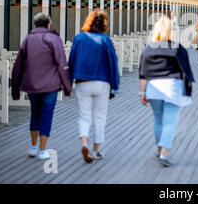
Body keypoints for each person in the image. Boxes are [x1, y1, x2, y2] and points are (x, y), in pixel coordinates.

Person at [12, 12, 71, 160]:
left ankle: (33, 147)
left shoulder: (27, 39)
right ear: (48, 24)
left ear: (35, 25)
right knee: (46, 115)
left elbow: (18, 65)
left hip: (32, 85)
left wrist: (15, 87)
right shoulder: (54, 39)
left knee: (35, 114)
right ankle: (43, 150)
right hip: (50, 86)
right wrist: (67, 86)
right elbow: (61, 63)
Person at [139, 17, 195, 167]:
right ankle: (164, 154)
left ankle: (159, 149)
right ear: (171, 31)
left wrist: (142, 93)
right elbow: (186, 71)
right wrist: (186, 90)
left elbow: (143, 75)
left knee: (158, 120)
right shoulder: (178, 48)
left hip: (153, 89)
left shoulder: (148, 49)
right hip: (172, 88)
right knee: (170, 122)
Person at [68, 10, 120, 163]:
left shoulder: (79, 38)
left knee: (84, 116)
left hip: (83, 82)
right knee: (99, 116)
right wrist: (114, 85)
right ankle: (96, 150)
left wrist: (68, 81)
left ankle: (84, 143)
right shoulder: (105, 40)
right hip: (102, 83)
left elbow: (71, 60)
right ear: (104, 24)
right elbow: (113, 62)